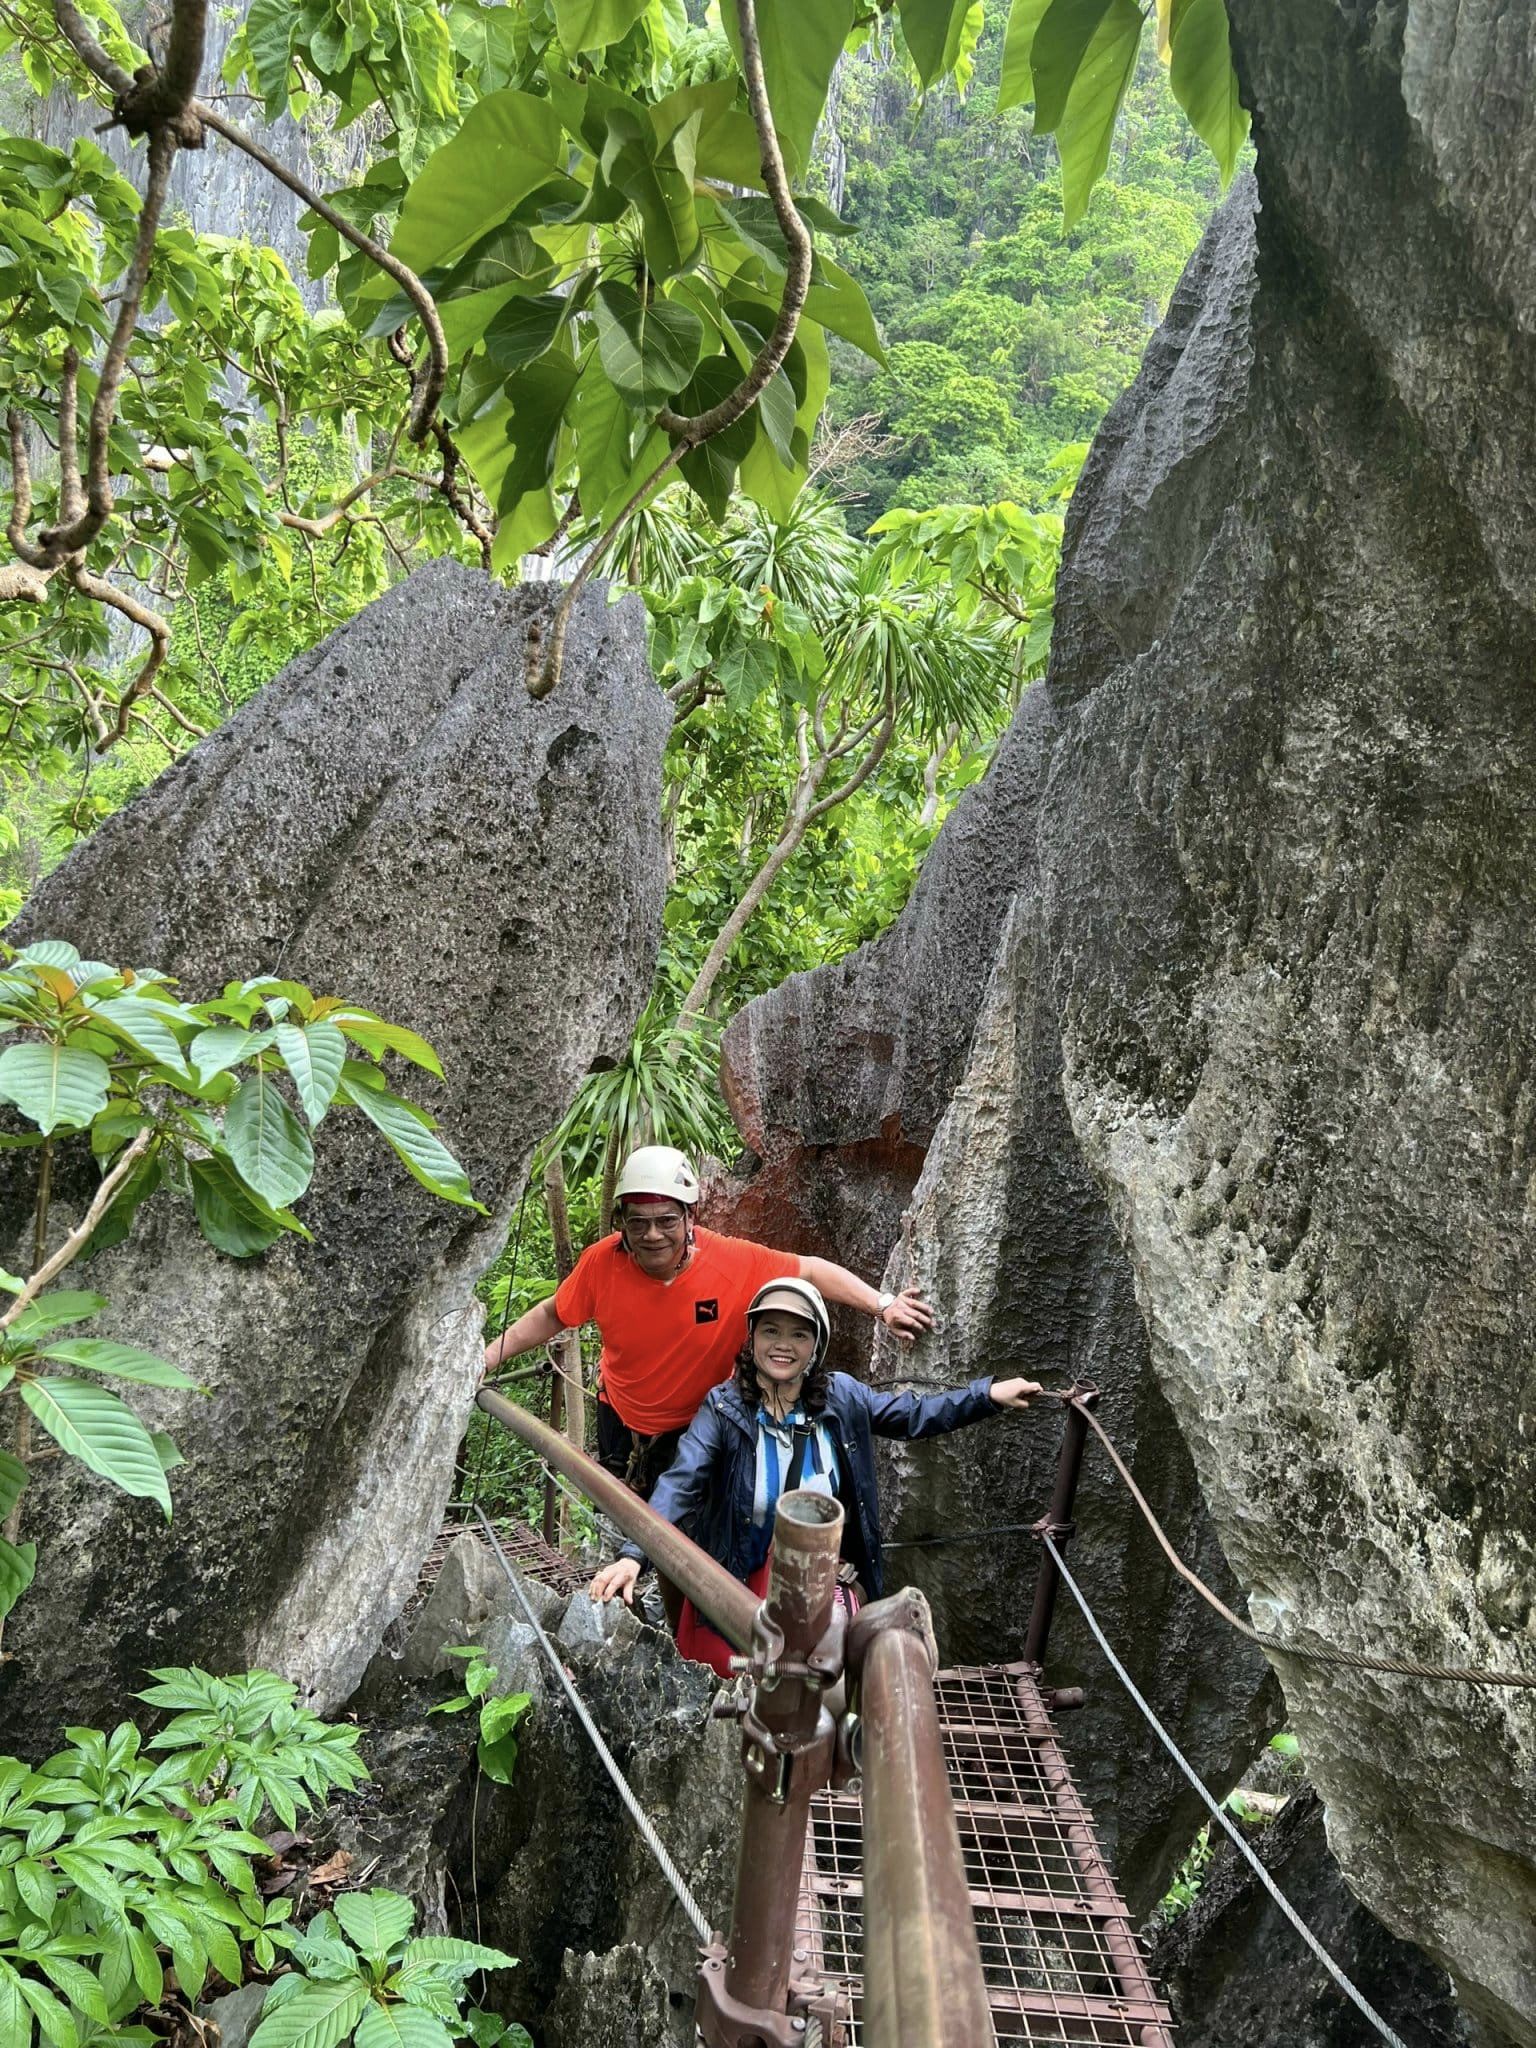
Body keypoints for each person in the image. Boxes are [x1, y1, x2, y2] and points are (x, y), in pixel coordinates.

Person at [587, 1277, 1042, 1676]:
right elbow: (681, 1480)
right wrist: (634, 1555)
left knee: (821, 1673)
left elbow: (912, 1415)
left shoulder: (841, 1398)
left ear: (816, 1346)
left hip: (821, 1576)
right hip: (741, 1574)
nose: (782, 1344)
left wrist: (988, 1395)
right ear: (751, 1339)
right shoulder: (724, 1408)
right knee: (736, 1680)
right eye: (770, 1330)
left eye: (798, 1334)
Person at [481, 1146, 933, 1503]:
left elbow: (810, 1270)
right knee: (620, 1508)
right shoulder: (602, 1264)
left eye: (666, 1221)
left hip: (697, 1427)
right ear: (622, 1223)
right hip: (620, 1413)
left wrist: (883, 1304)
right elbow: (553, 1314)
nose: (652, 1235)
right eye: (637, 1223)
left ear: (690, 1218)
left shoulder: (730, 1263)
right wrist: (485, 1358)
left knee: (684, 1527)